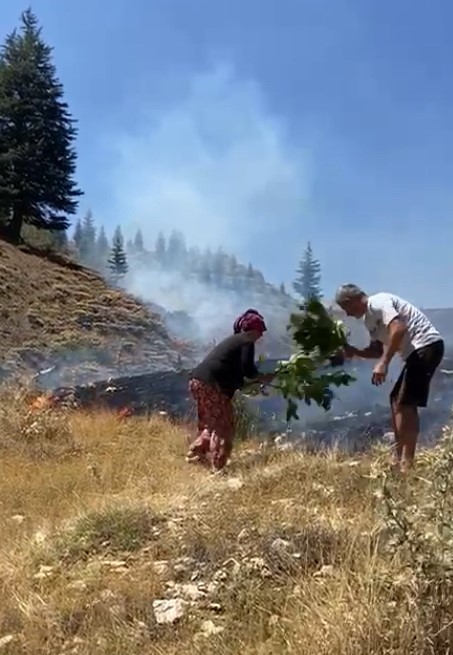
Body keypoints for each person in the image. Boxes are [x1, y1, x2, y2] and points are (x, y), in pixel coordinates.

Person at [334, 284, 444, 472]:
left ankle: (406, 465)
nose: (348, 315)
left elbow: (398, 328)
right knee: (396, 400)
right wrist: (353, 351)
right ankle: (398, 457)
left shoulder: (379, 302)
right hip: (416, 352)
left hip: (426, 345)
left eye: (346, 309)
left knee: (404, 404)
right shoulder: (369, 320)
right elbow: (376, 350)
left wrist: (384, 363)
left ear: (351, 300)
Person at [187, 309, 274, 474]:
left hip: (198, 381)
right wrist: (266, 377)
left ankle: (196, 453)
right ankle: (218, 467)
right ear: (253, 330)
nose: (261, 336)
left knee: (210, 423)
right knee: (223, 427)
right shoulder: (246, 340)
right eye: (260, 331)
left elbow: (239, 374)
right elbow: (249, 371)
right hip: (212, 385)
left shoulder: (235, 340)